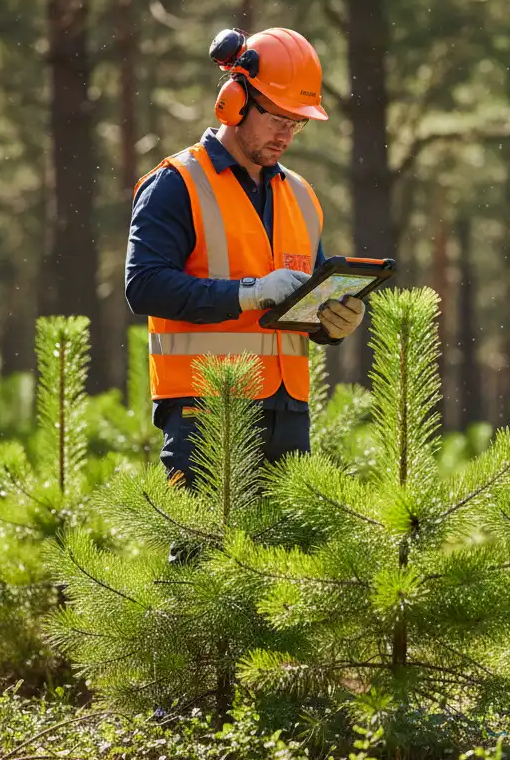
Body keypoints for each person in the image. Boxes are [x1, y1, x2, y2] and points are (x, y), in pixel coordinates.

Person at [125, 26, 365, 490]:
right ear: (234, 101)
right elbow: (144, 286)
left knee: (290, 564)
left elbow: (301, 304)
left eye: (297, 123)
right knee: (201, 560)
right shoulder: (175, 182)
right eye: (277, 116)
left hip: (289, 414)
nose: (286, 134)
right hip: (206, 410)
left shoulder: (301, 195)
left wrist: (329, 324)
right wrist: (250, 293)